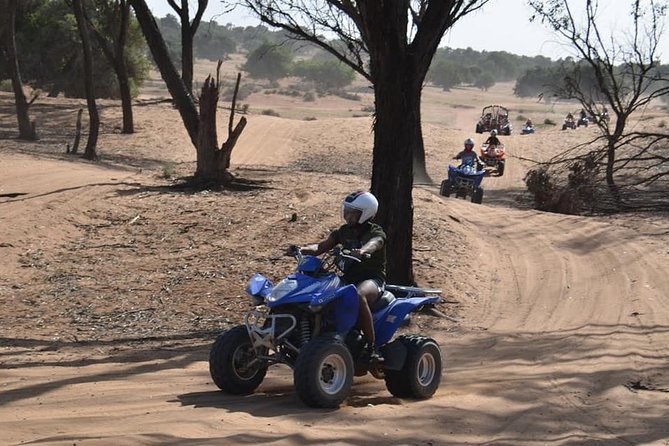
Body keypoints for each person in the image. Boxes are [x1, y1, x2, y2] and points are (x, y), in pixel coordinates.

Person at [297, 191, 386, 362]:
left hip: (372, 280)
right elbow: (320, 247)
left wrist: (363, 251)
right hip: (347, 279)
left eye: (353, 212)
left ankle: (371, 346)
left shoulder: (375, 231)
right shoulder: (343, 232)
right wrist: (301, 249)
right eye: (347, 210)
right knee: (320, 293)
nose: (348, 215)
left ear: (366, 213)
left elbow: (376, 243)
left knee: (358, 295)